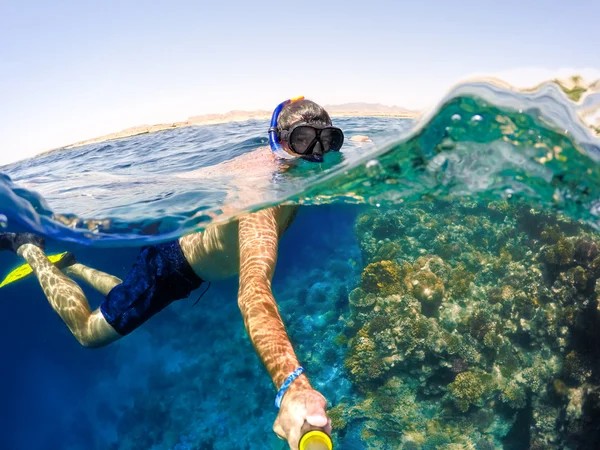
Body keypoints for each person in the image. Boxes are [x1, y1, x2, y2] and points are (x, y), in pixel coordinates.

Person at [0, 97, 345, 450]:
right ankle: (28, 246)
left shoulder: (298, 174)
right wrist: (294, 386)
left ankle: (73, 264)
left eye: (327, 142)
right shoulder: (260, 196)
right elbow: (253, 290)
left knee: (126, 293)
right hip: (169, 266)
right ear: (278, 140)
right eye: (303, 141)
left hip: (188, 268)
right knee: (89, 332)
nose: (315, 156)